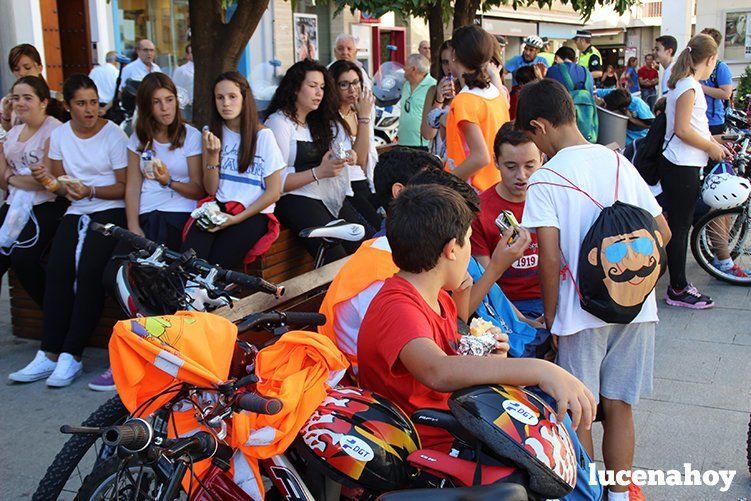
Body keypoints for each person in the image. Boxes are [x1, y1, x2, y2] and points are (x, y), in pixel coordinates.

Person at [515, 78, 671, 501]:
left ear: (539, 126)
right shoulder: (618, 161)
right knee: (619, 405)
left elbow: (548, 258)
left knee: (579, 412)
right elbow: (664, 232)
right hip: (636, 306)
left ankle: (584, 495)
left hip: (577, 311)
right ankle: (619, 496)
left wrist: (551, 318)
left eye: (531, 137)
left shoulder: (546, 179)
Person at [356, 183, 595, 453]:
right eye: (468, 239)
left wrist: (485, 354)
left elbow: (450, 353)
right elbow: (437, 370)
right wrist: (541, 370)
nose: (470, 248)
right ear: (451, 249)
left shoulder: (439, 297)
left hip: (460, 423)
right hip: (430, 444)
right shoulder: (397, 307)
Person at [10, 74, 128, 387]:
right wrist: (52, 182)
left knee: (89, 273)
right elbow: (59, 183)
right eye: (81, 103)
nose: (90, 109)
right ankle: (48, 352)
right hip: (76, 209)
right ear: (68, 105)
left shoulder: (114, 135)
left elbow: (123, 186)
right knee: (58, 271)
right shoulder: (61, 135)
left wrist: (88, 190)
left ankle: (71, 354)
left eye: (94, 102)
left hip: (109, 210)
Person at [266, 60, 366, 263]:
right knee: (335, 257)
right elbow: (275, 183)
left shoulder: (316, 122)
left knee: (363, 247)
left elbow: (331, 158)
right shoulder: (279, 123)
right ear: (295, 88)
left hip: (326, 195)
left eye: (322, 87)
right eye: (312, 86)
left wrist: (346, 156)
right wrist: (318, 173)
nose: (319, 93)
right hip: (293, 199)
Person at [183, 71, 283, 269]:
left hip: (252, 213)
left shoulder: (263, 136)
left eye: (232, 97)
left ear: (244, 99)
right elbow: (211, 189)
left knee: (216, 267)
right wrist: (212, 155)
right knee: (190, 261)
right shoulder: (211, 133)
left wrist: (236, 219)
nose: (226, 103)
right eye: (220, 98)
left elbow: (274, 192)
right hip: (217, 206)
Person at [661, 34, 733, 306]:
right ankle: (678, 289)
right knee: (680, 228)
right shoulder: (689, 86)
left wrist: (716, 142)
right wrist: (711, 147)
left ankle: (678, 285)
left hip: (683, 163)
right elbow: (681, 129)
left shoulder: (686, 84)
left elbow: (691, 127)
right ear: (711, 59)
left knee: (680, 225)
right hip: (681, 165)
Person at [0, 76, 65, 306]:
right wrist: (14, 178)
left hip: (47, 204)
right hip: (15, 202)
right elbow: (3, 180)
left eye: (28, 98)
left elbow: (44, 181)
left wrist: (11, 177)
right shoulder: (13, 132)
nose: (21, 103)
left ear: (43, 101)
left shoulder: (54, 130)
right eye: (16, 98)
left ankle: (54, 312)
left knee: (23, 259)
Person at [470, 123, 543, 319]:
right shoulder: (479, 211)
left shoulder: (555, 200)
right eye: (511, 167)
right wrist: (526, 322)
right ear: (496, 162)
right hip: (506, 304)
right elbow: (488, 283)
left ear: (542, 160)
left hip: (554, 299)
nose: (521, 176)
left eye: (530, 166)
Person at [445, 25, 510, 192]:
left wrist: (444, 183)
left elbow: (480, 157)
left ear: (453, 55)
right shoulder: (495, 94)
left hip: (473, 192)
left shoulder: (465, 100)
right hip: (495, 187)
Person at [329, 60, 381, 232]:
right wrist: (364, 118)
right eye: (344, 84)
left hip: (363, 181)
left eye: (355, 83)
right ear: (333, 86)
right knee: (373, 230)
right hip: (345, 187)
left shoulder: (358, 111)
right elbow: (356, 158)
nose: (352, 89)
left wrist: (363, 116)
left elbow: (364, 158)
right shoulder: (330, 118)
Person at [2, 44, 66, 131]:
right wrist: (6, 115)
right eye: (16, 69)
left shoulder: (56, 99)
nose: (22, 73)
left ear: (39, 68)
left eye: (27, 68)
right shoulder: (8, 101)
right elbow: (9, 135)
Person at [421, 40, 456, 160]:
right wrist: (439, 100)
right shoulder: (433, 91)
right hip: (438, 160)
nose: (449, 67)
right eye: (445, 62)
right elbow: (427, 134)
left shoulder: (469, 93)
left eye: (453, 61)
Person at [699, 28, 733, 135]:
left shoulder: (720, 67)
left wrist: (700, 88)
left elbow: (726, 93)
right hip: (697, 119)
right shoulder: (696, 63)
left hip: (713, 121)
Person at [397, 54, 435, 150]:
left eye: (405, 66)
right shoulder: (405, 85)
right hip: (403, 143)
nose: (403, 69)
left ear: (413, 69)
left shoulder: (433, 86)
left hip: (423, 145)